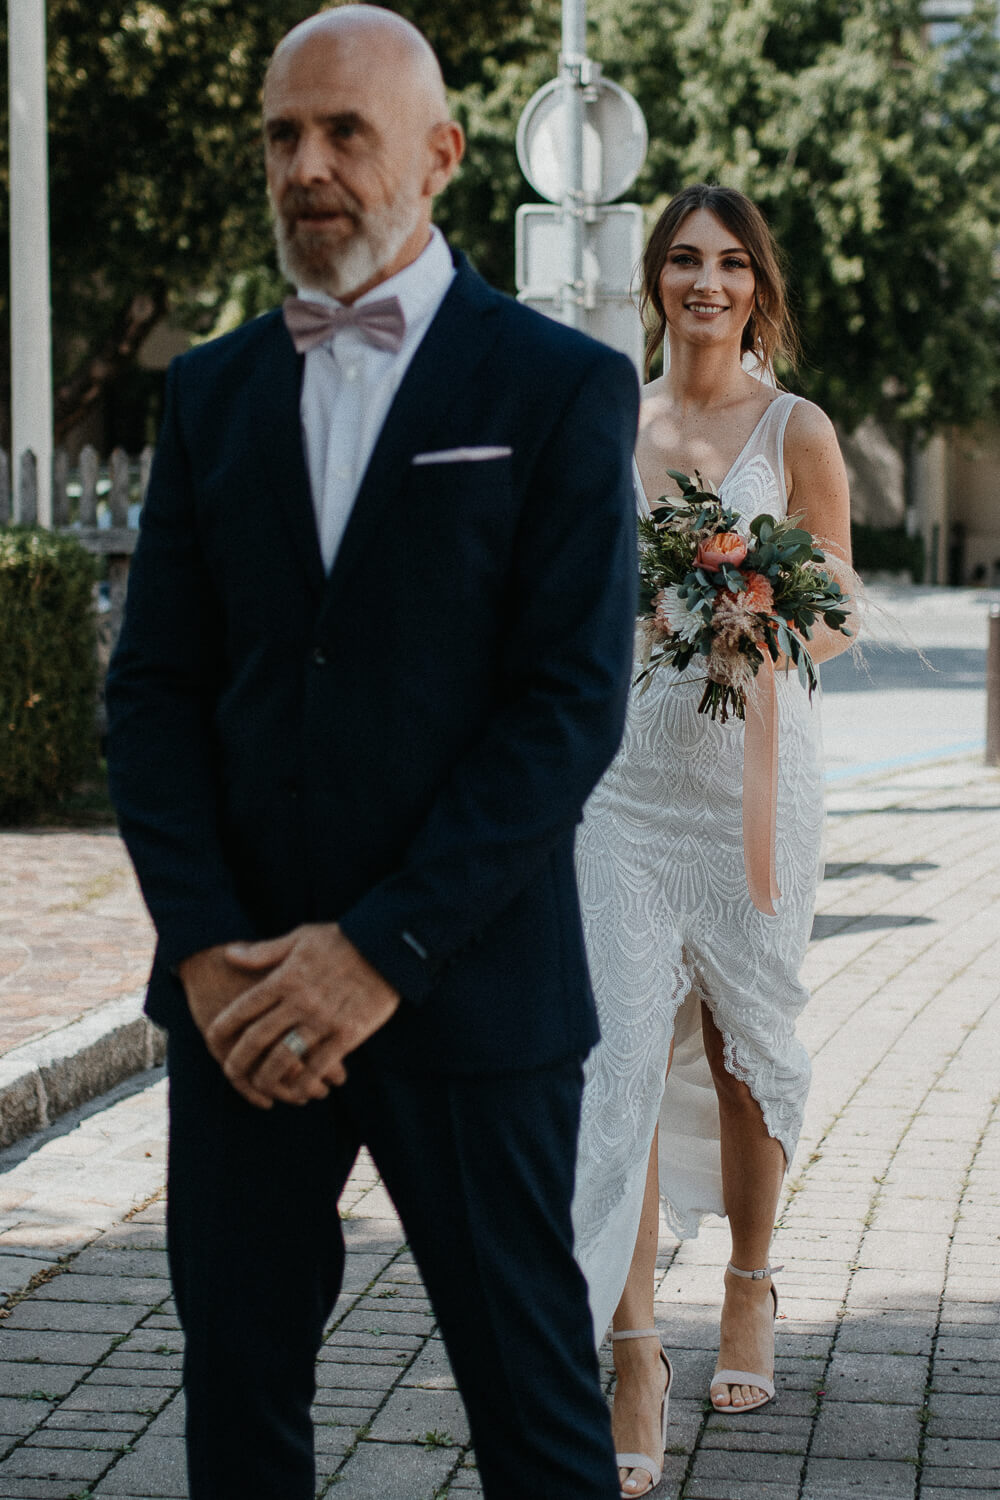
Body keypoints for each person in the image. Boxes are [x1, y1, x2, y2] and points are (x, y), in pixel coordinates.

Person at [105, 9, 640, 1498]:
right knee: (240, 1406)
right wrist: (209, 946)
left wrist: (383, 949)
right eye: (283, 134)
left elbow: (566, 704)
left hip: (469, 991)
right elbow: (152, 696)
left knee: (535, 1416)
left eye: (345, 132)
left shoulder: (557, 389)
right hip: (243, 1007)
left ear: (442, 156)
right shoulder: (209, 393)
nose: (309, 165)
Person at [571, 183, 854, 1498]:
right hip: (623, 792)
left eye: (730, 263)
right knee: (616, 1063)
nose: (705, 282)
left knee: (749, 1058)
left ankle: (748, 1282)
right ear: (656, 279)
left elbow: (841, 607)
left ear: (758, 287)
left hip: (754, 786)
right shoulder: (604, 423)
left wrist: (771, 621)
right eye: (685, 260)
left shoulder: (797, 431)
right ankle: (635, 1352)